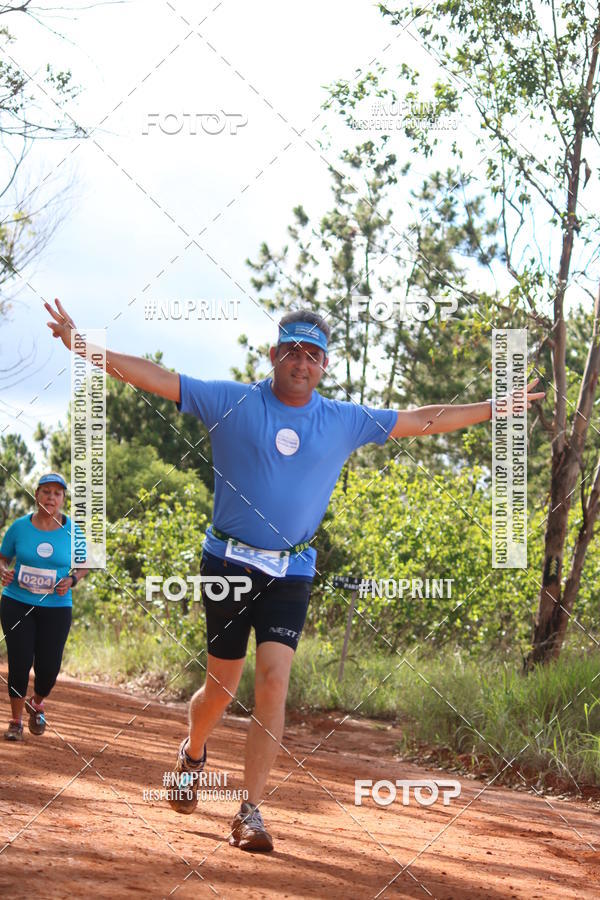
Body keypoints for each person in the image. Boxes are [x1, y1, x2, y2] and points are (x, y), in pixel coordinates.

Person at [44, 298, 544, 851]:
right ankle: (192, 750)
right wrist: (84, 346)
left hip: (292, 571)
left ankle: (250, 811)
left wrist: (494, 408)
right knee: (219, 687)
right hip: (228, 564)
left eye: (312, 355)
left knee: (274, 683)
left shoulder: (343, 420)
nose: (301, 363)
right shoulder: (230, 401)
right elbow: (158, 377)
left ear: (324, 364)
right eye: (291, 352)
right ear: (274, 354)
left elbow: (424, 418)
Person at [0, 473, 88, 741]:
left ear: (63, 499)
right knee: (19, 661)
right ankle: (15, 721)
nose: (51, 497)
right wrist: (3, 571)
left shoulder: (73, 530)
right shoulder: (19, 527)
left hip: (57, 606)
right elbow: (3, 557)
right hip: (17, 602)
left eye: (57, 493)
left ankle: (36, 702)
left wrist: (72, 579)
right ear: (36, 495)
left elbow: (84, 564)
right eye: (46, 492)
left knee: (49, 668)